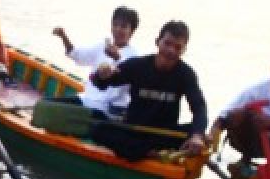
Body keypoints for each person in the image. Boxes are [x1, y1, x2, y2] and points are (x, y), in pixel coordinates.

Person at [88, 21, 208, 161]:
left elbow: (199, 107)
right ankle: (149, 153)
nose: (171, 51)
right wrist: (101, 75)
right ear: (158, 42)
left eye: (177, 47)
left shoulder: (186, 74)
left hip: (164, 134)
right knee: (98, 129)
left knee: (200, 134)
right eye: (167, 43)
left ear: (183, 50)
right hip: (133, 130)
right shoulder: (138, 65)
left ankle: (140, 151)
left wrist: (197, 136)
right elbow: (101, 84)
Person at [51, 6, 141, 116]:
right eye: (115, 24)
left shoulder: (134, 57)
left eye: (123, 26)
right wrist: (63, 36)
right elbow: (78, 55)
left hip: (110, 109)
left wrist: (117, 58)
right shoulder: (102, 46)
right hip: (87, 100)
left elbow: (124, 78)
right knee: (48, 104)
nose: (118, 29)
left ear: (132, 31)